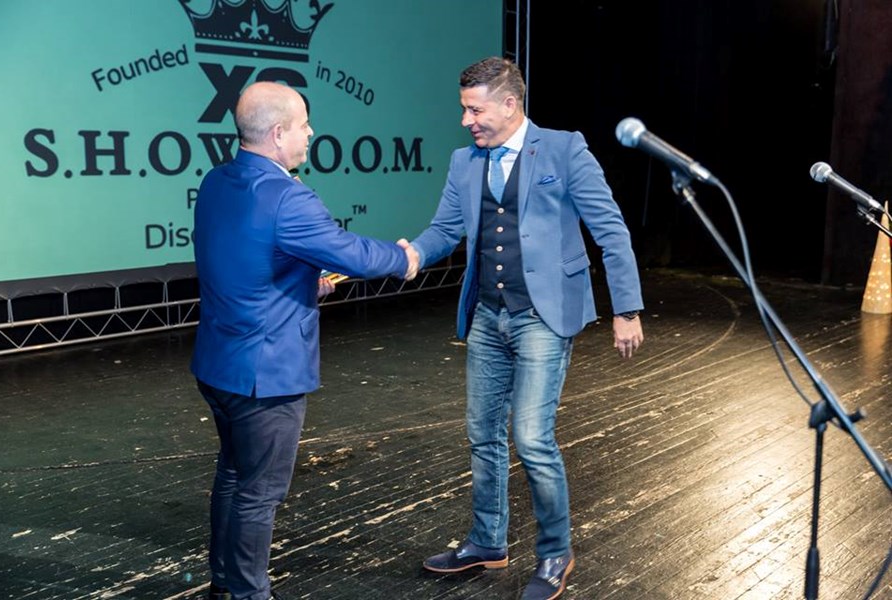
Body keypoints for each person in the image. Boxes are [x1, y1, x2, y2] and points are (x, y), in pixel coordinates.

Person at [409, 56, 644, 600]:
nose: (466, 121)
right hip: (488, 314)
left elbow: (610, 229)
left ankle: (556, 551)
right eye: (464, 109)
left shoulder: (565, 149)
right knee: (482, 434)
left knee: (532, 438)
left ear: (510, 104)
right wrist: (411, 254)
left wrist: (626, 310)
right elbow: (444, 229)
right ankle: (487, 542)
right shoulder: (464, 161)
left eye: (475, 110)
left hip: (544, 314)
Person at [190, 81, 418, 600]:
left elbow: (241, 261)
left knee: (233, 476)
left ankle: (224, 585)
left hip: (219, 364)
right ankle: (250, 594)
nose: (311, 133)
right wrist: (403, 258)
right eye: (303, 125)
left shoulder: (216, 181)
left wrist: (302, 281)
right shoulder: (287, 197)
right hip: (265, 374)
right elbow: (350, 252)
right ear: (277, 133)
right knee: (260, 493)